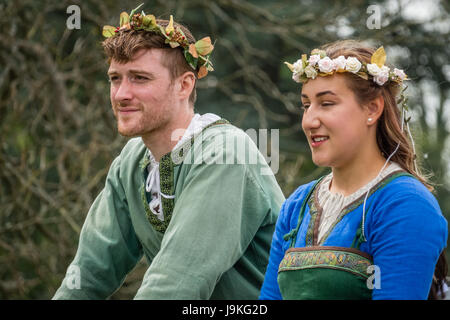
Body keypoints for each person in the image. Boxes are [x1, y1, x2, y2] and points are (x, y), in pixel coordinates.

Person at [53, 5, 285, 299]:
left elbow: (177, 283)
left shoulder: (226, 153)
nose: (122, 94)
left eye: (140, 78)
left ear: (184, 85)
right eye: (115, 78)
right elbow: (89, 272)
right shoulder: (132, 161)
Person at [259, 40, 448, 300]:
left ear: (372, 109)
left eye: (326, 103)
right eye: (306, 105)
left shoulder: (405, 204)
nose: (309, 121)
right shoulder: (296, 206)